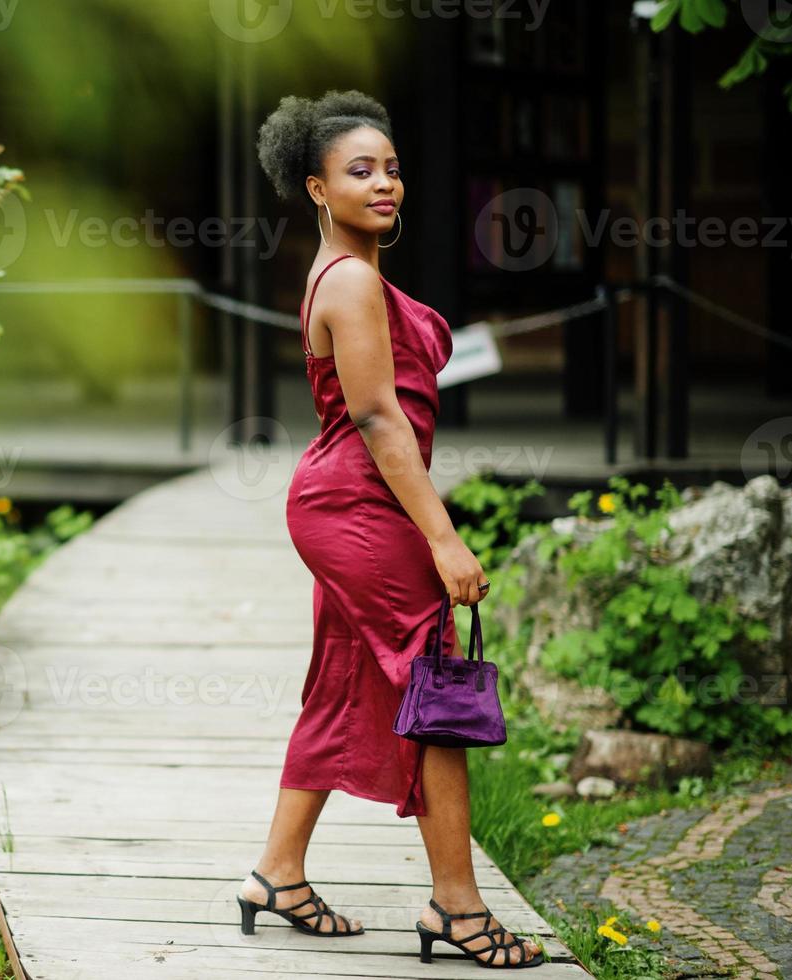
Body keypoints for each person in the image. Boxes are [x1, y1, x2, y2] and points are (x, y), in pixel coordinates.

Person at [233, 90, 543, 969]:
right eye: (359, 171)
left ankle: (277, 873)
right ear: (316, 189)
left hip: (344, 501)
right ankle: (457, 906)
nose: (384, 184)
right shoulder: (353, 279)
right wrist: (444, 538)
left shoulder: (341, 272)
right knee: (436, 685)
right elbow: (375, 417)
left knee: (344, 677)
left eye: (392, 168)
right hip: (357, 503)